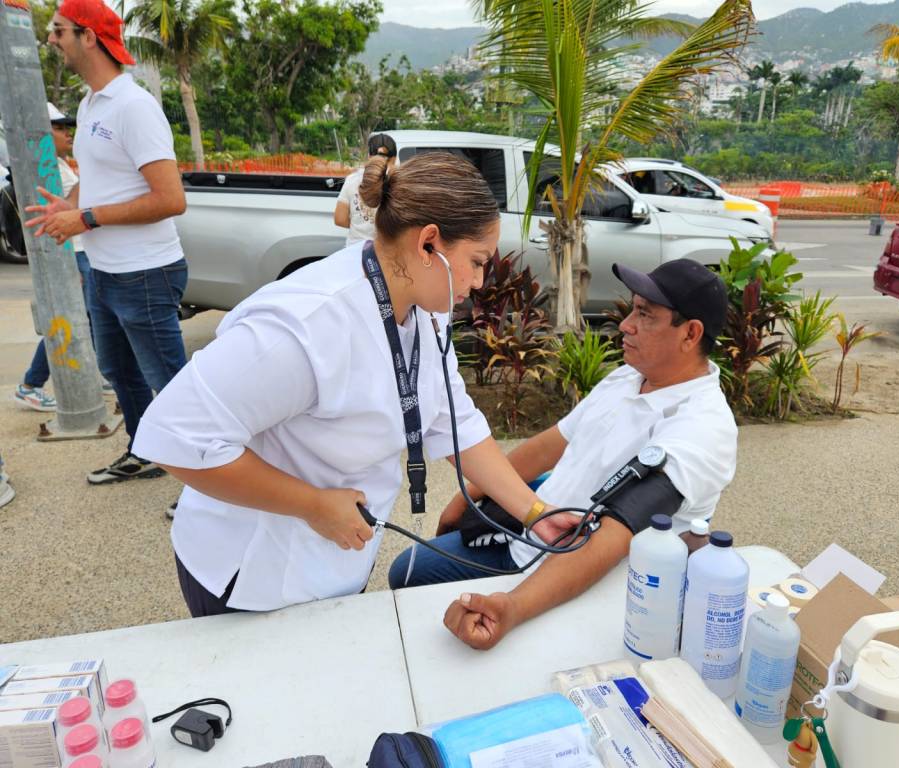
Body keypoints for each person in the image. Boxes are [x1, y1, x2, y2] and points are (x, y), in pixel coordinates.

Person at [131, 152, 576, 617]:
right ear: (428, 245)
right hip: (252, 574)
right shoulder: (306, 324)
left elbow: (453, 418)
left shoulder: (426, 308)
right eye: (477, 262)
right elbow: (175, 435)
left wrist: (534, 514)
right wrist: (313, 505)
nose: (481, 282)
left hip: (335, 560)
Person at [389, 259, 739, 651]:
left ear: (690, 334)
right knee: (410, 571)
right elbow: (546, 447)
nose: (626, 325)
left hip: (576, 579)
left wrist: (514, 606)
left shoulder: (701, 428)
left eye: (645, 315)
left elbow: (614, 536)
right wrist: (467, 497)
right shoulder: (630, 376)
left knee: (407, 576)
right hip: (532, 532)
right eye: (632, 309)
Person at [25, 0, 189, 485]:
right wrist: (69, 204)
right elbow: (100, 180)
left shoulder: (135, 107)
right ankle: (145, 453)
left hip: (145, 272)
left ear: (89, 37)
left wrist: (87, 218)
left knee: (174, 387)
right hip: (105, 271)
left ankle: (215, 493)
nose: (51, 39)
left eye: (58, 30)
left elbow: (170, 198)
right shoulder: (90, 103)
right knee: (120, 370)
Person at [14, 103, 108, 413]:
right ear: (41, 134)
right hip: (73, 253)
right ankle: (31, 384)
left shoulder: (60, 164)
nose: (67, 133)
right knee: (71, 320)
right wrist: (64, 265)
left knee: (90, 318)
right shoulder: (45, 168)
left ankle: (98, 371)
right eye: (59, 128)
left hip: (83, 251)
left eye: (68, 127)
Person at [334, 133, 396, 246]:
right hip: (385, 253)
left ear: (369, 156)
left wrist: (358, 226)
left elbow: (340, 219)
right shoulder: (398, 182)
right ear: (394, 159)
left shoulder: (352, 180)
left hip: (355, 250)